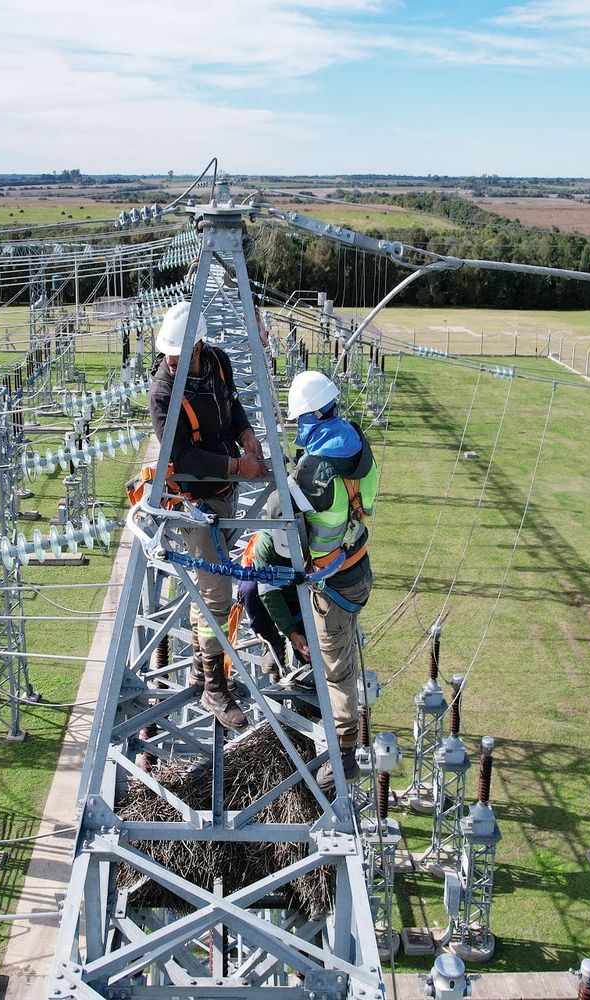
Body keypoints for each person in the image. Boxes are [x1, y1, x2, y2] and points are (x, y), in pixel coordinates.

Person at [148, 300, 268, 729]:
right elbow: (178, 456)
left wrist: (246, 434)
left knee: (210, 589)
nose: (172, 360)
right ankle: (214, 689)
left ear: (199, 345)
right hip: (194, 505)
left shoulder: (217, 362)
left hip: (224, 491)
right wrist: (239, 466)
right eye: (169, 354)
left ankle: (202, 666)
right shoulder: (164, 392)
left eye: (179, 353)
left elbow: (231, 406)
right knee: (215, 594)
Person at [286, 370, 379, 790]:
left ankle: (343, 757)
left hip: (334, 583)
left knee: (338, 670)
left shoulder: (314, 468)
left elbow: (284, 509)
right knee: (340, 653)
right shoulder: (357, 443)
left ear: (311, 415)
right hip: (357, 566)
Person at [234, 494, 311, 682]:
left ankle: (311, 678)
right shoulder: (266, 542)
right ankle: (272, 641)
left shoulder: (315, 532)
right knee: (249, 589)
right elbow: (268, 592)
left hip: (303, 592)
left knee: (310, 651)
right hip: (272, 591)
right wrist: (291, 633)